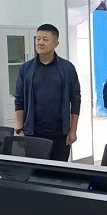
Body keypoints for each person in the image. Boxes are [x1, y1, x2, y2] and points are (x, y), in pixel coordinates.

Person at [14, 24, 81, 161]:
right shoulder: (26, 69)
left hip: (60, 133)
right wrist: (20, 129)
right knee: (35, 171)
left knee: (58, 171)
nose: (40, 42)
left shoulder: (67, 68)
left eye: (45, 39)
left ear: (56, 43)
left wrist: (73, 130)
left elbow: (75, 100)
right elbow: (19, 100)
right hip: (33, 133)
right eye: (38, 39)